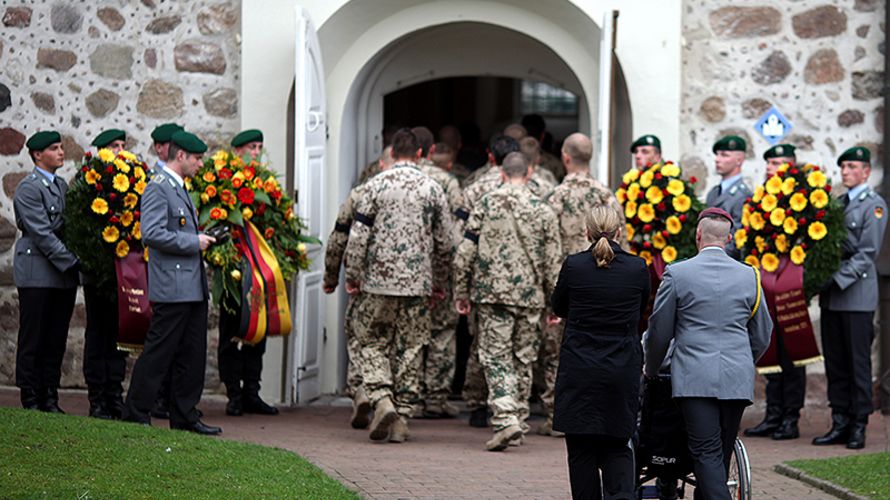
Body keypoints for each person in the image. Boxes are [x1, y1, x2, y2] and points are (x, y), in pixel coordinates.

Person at [645, 207, 772, 500]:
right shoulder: (750, 275)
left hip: (694, 375)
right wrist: (742, 358)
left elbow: (660, 332)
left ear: (698, 234)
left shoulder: (677, 273)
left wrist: (652, 368)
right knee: (720, 452)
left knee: (705, 452)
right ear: (729, 239)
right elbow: (763, 333)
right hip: (735, 376)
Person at [344, 128, 452, 443]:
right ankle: (402, 418)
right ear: (419, 153)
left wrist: (353, 274)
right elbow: (445, 243)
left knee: (372, 342)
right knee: (411, 349)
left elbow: (358, 235)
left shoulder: (375, 185)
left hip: (378, 282)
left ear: (393, 152)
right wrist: (440, 282)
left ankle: (381, 398)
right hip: (417, 284)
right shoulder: (432, 188)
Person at [453, 152, 562, 451]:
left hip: (492, 295)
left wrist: (461, 292)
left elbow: (465, 253)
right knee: (523, 358)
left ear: (502, 173)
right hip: (530, 298)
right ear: (528, 174)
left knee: (496, 357)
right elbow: (554, 264)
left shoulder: (486, 203)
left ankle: (505, 418)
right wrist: (556, 304)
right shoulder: (543, 210)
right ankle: (519, 417)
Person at [122, 131, 222, 435]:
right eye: (197, 158)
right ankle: (136, 411)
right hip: (173, 286)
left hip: (190, 286)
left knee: (191, 354)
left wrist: (203, 239)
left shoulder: (179, 187)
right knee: (159, 351)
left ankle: (184, 414)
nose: (200, 164)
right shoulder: (159, 187)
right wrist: (195, 241)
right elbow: (150, 233)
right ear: (180, 156)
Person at [551, 205, 650, 499]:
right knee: (617, 445)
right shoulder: (637, 267)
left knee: (581, 451)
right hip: (620, 366)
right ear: (619, 232)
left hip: (580, 367)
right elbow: (642, 309)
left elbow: (559, 306)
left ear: (587, 233)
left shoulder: (575, 266)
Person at [538, 133, 625, 437]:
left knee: (556, 354)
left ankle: (556, 415)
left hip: (565, 284)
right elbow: (621, 243)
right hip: (603, 288)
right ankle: (596, 411)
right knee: (598, 349)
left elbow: (545, 247)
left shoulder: (554, 197)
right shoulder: (607, 196)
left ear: (565, 157)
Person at [814, 146, 887, 450]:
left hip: (855, 295)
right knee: (835, 362)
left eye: (852, 166)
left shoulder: (874, 205)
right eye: (843, 166)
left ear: (866, 171)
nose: (845, 171)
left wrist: (837, 278)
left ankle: (859, 423)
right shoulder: (837, 203)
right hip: (833, 297)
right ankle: (840, 419)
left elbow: (868, 252)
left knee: (857, 364)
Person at [323, 145, 393, 429]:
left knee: (360, 337)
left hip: (366, 281)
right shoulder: (421, 190)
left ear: (380, 164)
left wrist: (332, 276)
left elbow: (340, 236)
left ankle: (362, 391)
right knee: (393, 344)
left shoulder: (360, 193)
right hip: (407, 286)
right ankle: (389, 400)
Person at [13, 131, 80, 412]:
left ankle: (50, 395)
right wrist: (74, 260)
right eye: (54, 149)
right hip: (38, 272)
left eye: (61, 147)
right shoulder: (29, 188)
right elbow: (42, 233)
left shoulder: (62, 186)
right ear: (37, 155)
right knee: (34, 336)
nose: (61, 152)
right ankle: (31, 396)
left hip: (60, 275)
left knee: (55, 336)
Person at [744, 143, 805, 440]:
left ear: (791, 166)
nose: (771, 168)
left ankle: (790, 417)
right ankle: (773, 413)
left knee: (793, 352)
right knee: (771, 347)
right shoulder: (762, 198)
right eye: (769, 163)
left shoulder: (802, 198)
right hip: (767, 283)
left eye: (777, 163)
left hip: (791, 286)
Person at [215, 128, 278, 417]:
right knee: (231, 331)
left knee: (258, 330)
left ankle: (252, 391)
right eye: (251, 147)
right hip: (234, 268)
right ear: (237, 151)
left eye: (259, 147)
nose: (256, 152)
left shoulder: (266, 182)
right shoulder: (221, 181)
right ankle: (234, 393)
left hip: (259, 269)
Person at [81, 129, 131, 419]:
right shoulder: (89, 184)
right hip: (97, 272)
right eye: (115, 145)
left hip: (123, 274)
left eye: (123, 145)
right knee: (99, 333)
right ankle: (97, 398)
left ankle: (115, 394)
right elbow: (83, 229)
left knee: (118, 334)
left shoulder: (129, 181)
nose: (121, 150)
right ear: (101, 151)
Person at [418, 142, 465, 419]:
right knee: (442, 333)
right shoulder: (448, 183)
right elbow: (454, 236)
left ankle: (405, 398)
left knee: (408, 334)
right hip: (440, 272)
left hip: (405, 272)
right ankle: (435, 397)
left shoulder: (403, 176)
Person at [146, 122, 184, 420]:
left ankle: (173, 400)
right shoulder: (156, 181)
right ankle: (148, 401)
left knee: (178, 344)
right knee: (159, 341)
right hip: (161, 271)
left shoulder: (179, 181)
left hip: (180, 274)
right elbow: (154, 231)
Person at [705, 135, 752, 259]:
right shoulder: (714, 193)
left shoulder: (743, 195)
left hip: (726, 261)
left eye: (724, 155)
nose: (717, 159)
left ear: (739, 160)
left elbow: (736, 239)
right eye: (717, 155)